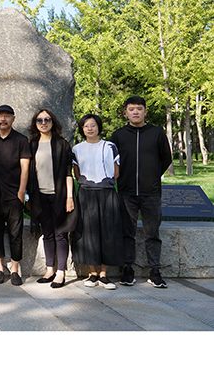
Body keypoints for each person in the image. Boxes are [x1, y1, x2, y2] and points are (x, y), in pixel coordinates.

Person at [110, 96, 172, 288]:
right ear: (125, 113)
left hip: (151, 193)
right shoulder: (118, 136)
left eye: (139, 108)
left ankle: (155, 271)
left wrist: (152, 176)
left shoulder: (156, 133)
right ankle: (127, 269)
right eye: (131, 109)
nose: (135, 112)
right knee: (127, 233)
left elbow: (166, 158)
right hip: (126, 192)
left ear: (145, 111)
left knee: (152, 234)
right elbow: (111, 161)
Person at [72, 114, 123, 290]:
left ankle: (104, 274)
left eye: (93, 125)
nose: (90, 128)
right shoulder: (77, 149)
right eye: (86, 126)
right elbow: (76, 172)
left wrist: (105, 183)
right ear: (82, 129)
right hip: (86, 194)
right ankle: (92, 273)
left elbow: (116, 171)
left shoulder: (109, 146)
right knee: (89, 233)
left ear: (99, 127)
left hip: (106, 193)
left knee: (108, 232)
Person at [27, 108, 77, 289]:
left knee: (60, 234)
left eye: (47, 119)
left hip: (59, 195)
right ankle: (50, 270)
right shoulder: (32, 145)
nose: (43, 123)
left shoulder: (62, 144)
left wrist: (69, 197)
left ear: (53, 122)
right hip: (39, 196)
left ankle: (61, 272)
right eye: (39, 120)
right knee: (47, 233)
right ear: (35, 124)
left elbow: (68, 173)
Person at [0, 104, 30, 286]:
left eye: (7, 116)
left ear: (13, 118)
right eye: (0, 116)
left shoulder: (21, 140)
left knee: (15, 234)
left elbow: (25, 168)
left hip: (14, 196)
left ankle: (15, 269)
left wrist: (21, 192)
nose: (3, 119)